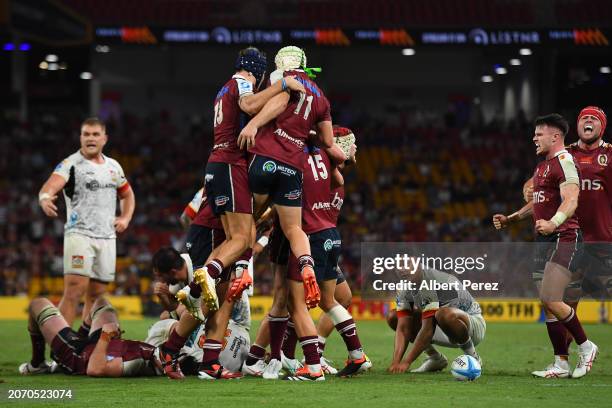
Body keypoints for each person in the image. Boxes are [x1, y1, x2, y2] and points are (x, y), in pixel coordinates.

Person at [178, 47, 306, 317]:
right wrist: (281, 84)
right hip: (230, 164)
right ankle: (203, 279)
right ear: (258, 72)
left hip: (216, 164)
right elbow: (248, 105)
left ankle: (193, 291)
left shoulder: (224, 88)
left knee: (231, 240)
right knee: (242, 239)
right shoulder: (242, 82)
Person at [493, 113, 599, 379]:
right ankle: (560, 363)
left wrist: (554, 222)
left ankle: (586, 347)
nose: (534, 138)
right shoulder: (542, 167)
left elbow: (571, 199)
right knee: (549, 304)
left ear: (555, 136)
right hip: (544, 240)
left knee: (550, 298)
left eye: (539, 134)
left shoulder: (565, 161)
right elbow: (538, 201)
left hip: (564, 236)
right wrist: (512, 218)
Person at [38, 117, 135, 332]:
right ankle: (60, 348)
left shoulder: (114, 167)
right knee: (74, 289)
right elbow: (51, 185)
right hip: (79, 234)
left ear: (104, 138)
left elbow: (127, 194)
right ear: (81, 137)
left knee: (96, 294)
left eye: (95, 134)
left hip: (107, 237)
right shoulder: (70, 163)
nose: (90, 138)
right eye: (86, 134)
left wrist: (125, 217)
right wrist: (45, 198)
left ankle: (81, 343)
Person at [19, 296, 161, 377]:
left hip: (79, 356)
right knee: (102, 303)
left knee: (38, 304)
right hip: (100, 346)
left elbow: (94, 368)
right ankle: (79, 338)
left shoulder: (142, 361)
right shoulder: (158, 351)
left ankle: (37, 364)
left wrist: (105, 336)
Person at [386, 267, 486, 374]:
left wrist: (407, 362)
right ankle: (435, 358)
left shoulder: (430, 281)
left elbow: (428, 329)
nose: (404, 270)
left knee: (443, 314)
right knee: (394, 316)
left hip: (472, 327)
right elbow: (403, 327)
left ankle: (473, 358)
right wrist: (396, 362)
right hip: (440, 326)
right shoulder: (405, 288)